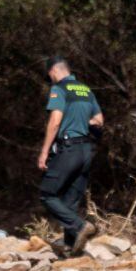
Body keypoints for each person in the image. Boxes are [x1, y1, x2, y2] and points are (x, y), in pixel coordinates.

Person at [38, 56, 103, 258]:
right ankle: (71, 246)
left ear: (53, 72)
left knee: (47, 193)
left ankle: (80, 225)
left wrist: (44, 151)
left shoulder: (59, 89)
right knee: (70, 200)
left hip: (70, 147)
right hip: (87, 150)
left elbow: (55, 122)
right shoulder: (86, 90)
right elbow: (99, 121)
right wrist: (82, 121)